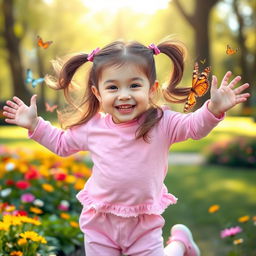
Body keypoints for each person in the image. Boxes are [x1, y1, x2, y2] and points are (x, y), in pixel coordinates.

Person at [3, 40, 250, 256]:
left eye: (134, 85)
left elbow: (195, 127)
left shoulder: (163, 122)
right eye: (112, 87)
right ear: (97, 93)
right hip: (100, 221)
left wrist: (213, 110)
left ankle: (179, 244)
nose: (123, 95)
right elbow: (61, 144)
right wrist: (35, 124)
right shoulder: (93, 127)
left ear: (151, 88)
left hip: (143, 224)